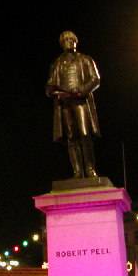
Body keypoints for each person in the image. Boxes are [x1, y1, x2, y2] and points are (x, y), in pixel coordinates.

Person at [46, 30, 101, 179]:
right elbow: (50, 85)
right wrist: (52, 91)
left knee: (84, 133)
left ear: (76, 41)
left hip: (81, 101)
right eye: (65, 40)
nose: (69, 42)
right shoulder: (57, 63)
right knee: (71, 136)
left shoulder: (85, 59)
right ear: (62, 44)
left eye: (71, 39)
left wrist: (81, 89)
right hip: (64, 103)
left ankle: (90, 169)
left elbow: (95, 79)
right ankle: (77, 171)